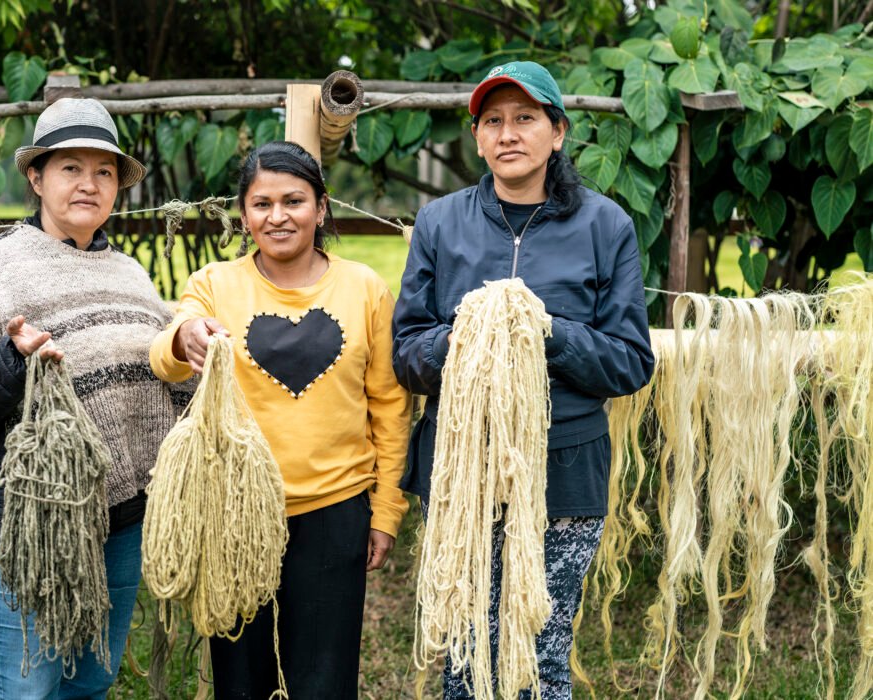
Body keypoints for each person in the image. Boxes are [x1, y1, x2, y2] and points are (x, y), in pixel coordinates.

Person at [0, 97, 190, 700]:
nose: (89, 184)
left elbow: (163, 378)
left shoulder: (131, 275)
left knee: (91, 679)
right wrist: (12, 359)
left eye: (104, 171)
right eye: (71, 168)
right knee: (24, 690)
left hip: (120, 522)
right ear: (36, 178)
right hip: (26, 527)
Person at [391, 61, 655, 699]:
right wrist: (464, 335)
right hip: (462, 474)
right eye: (493, 121)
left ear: (558, 132)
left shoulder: (606, 227)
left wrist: (549, 331)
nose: (509, 133)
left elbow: (630, 361)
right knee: (467, 653)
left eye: (526, 118)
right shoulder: (440, 223)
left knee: (541, 651)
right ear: (478, 138)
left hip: (563, 471)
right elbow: (406, 354)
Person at [149, 140, 411, 699]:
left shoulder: (364, 288)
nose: (278, 216)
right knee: (241, 678)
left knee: (322, 677)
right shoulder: (216, 285)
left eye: (294, 201)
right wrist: (184, 335)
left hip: (334, 508)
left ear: (321, 208)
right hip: (236, 511)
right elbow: (164, 357)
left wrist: (386, 508)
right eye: (261, 204)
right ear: (243, 215)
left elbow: (390, 405)